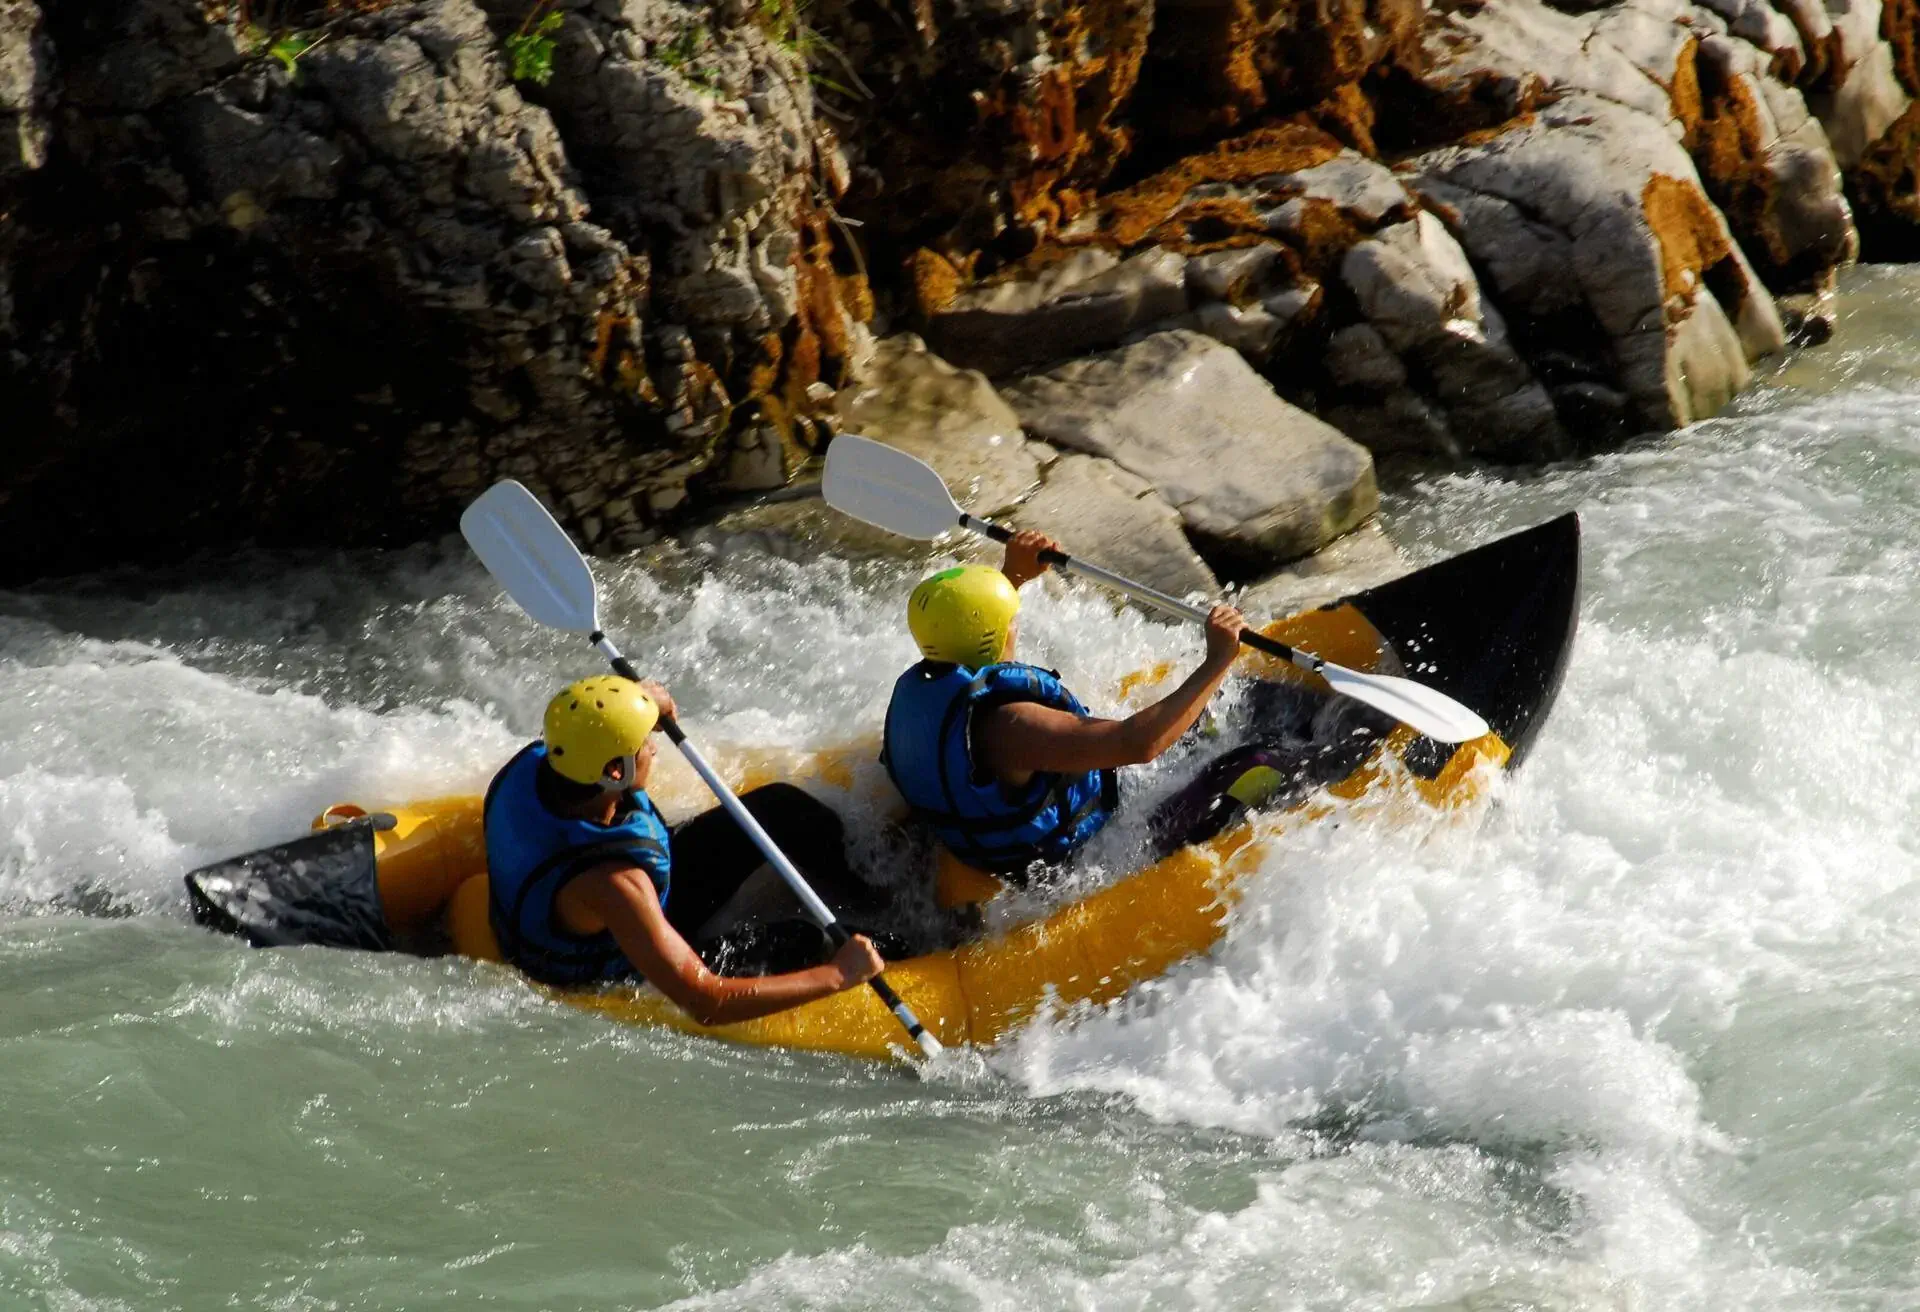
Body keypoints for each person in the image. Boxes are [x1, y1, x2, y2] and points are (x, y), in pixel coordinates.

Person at [483, 674, 887, 1025]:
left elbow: (588, 721)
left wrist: (639, 702)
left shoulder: (548, 760)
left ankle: (878, 894)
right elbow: (706, 1001)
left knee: (783, 807)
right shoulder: (615, 884)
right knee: (805, 940)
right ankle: (898, 949)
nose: (654, 748)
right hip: (619, 958)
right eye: (643, 743)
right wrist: (839, 974)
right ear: (614, 771)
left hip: (599, 895)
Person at [882, 530, 1246, 883]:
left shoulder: (929, 687)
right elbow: (1139, 744)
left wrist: (1014, 574)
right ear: (996, 632)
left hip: (976, 837)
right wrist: (1217, 660)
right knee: (1251, 760)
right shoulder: (1012, 725)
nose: (1016, 624)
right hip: (1069, 861)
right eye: (1010, 619)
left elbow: (973, 624)